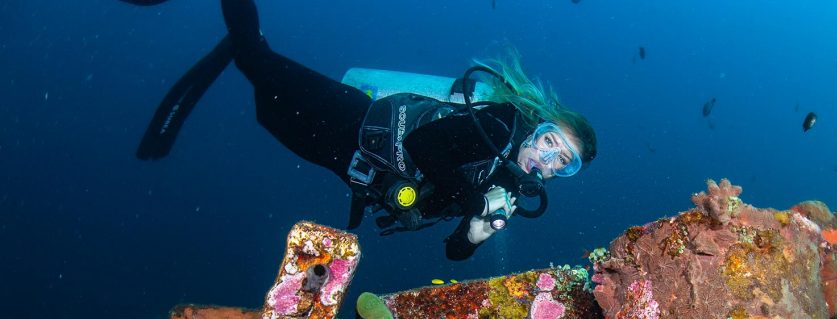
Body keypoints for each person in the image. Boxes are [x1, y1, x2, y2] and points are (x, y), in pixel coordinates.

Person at [137, 0, 597, 261]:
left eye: (563, 163)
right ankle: (244, 43)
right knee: (259, 65)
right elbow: (422, 144)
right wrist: (475, 201)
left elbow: (451, 249)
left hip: (350, 161)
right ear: (537, 128)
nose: (547, 158)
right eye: (550, 141)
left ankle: (244, 49)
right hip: (353, 119)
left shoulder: (505, 187)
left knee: (267, 108)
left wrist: (473, 236)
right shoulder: (497, 127)